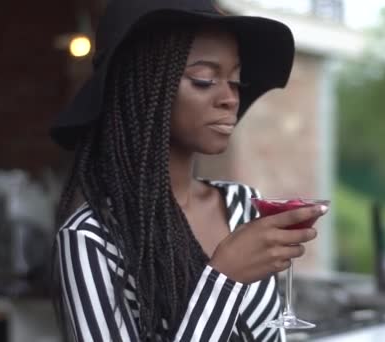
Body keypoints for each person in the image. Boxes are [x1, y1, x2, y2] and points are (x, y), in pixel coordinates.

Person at [49, 1, 329, 341]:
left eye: (236, 81)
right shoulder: (91, 239)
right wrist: (223, 279)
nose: (230, 98)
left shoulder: (244, 204)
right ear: (145, 85)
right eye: (204, 79)